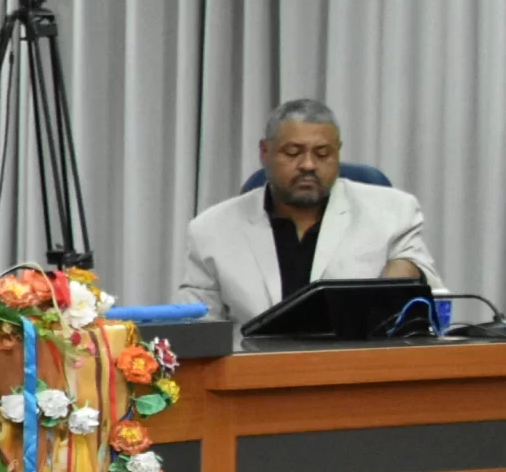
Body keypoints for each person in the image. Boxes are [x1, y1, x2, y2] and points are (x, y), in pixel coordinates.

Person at [179, 98, 437, 320]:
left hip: (357, 359)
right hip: (254, 361)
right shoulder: (211, 230)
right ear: (264, 152)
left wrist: (408, 273)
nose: (308, 165)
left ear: (338, 153)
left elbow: (433, 298)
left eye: (323, 154)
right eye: (293, 153)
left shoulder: (393, 212)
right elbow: (198, 326)